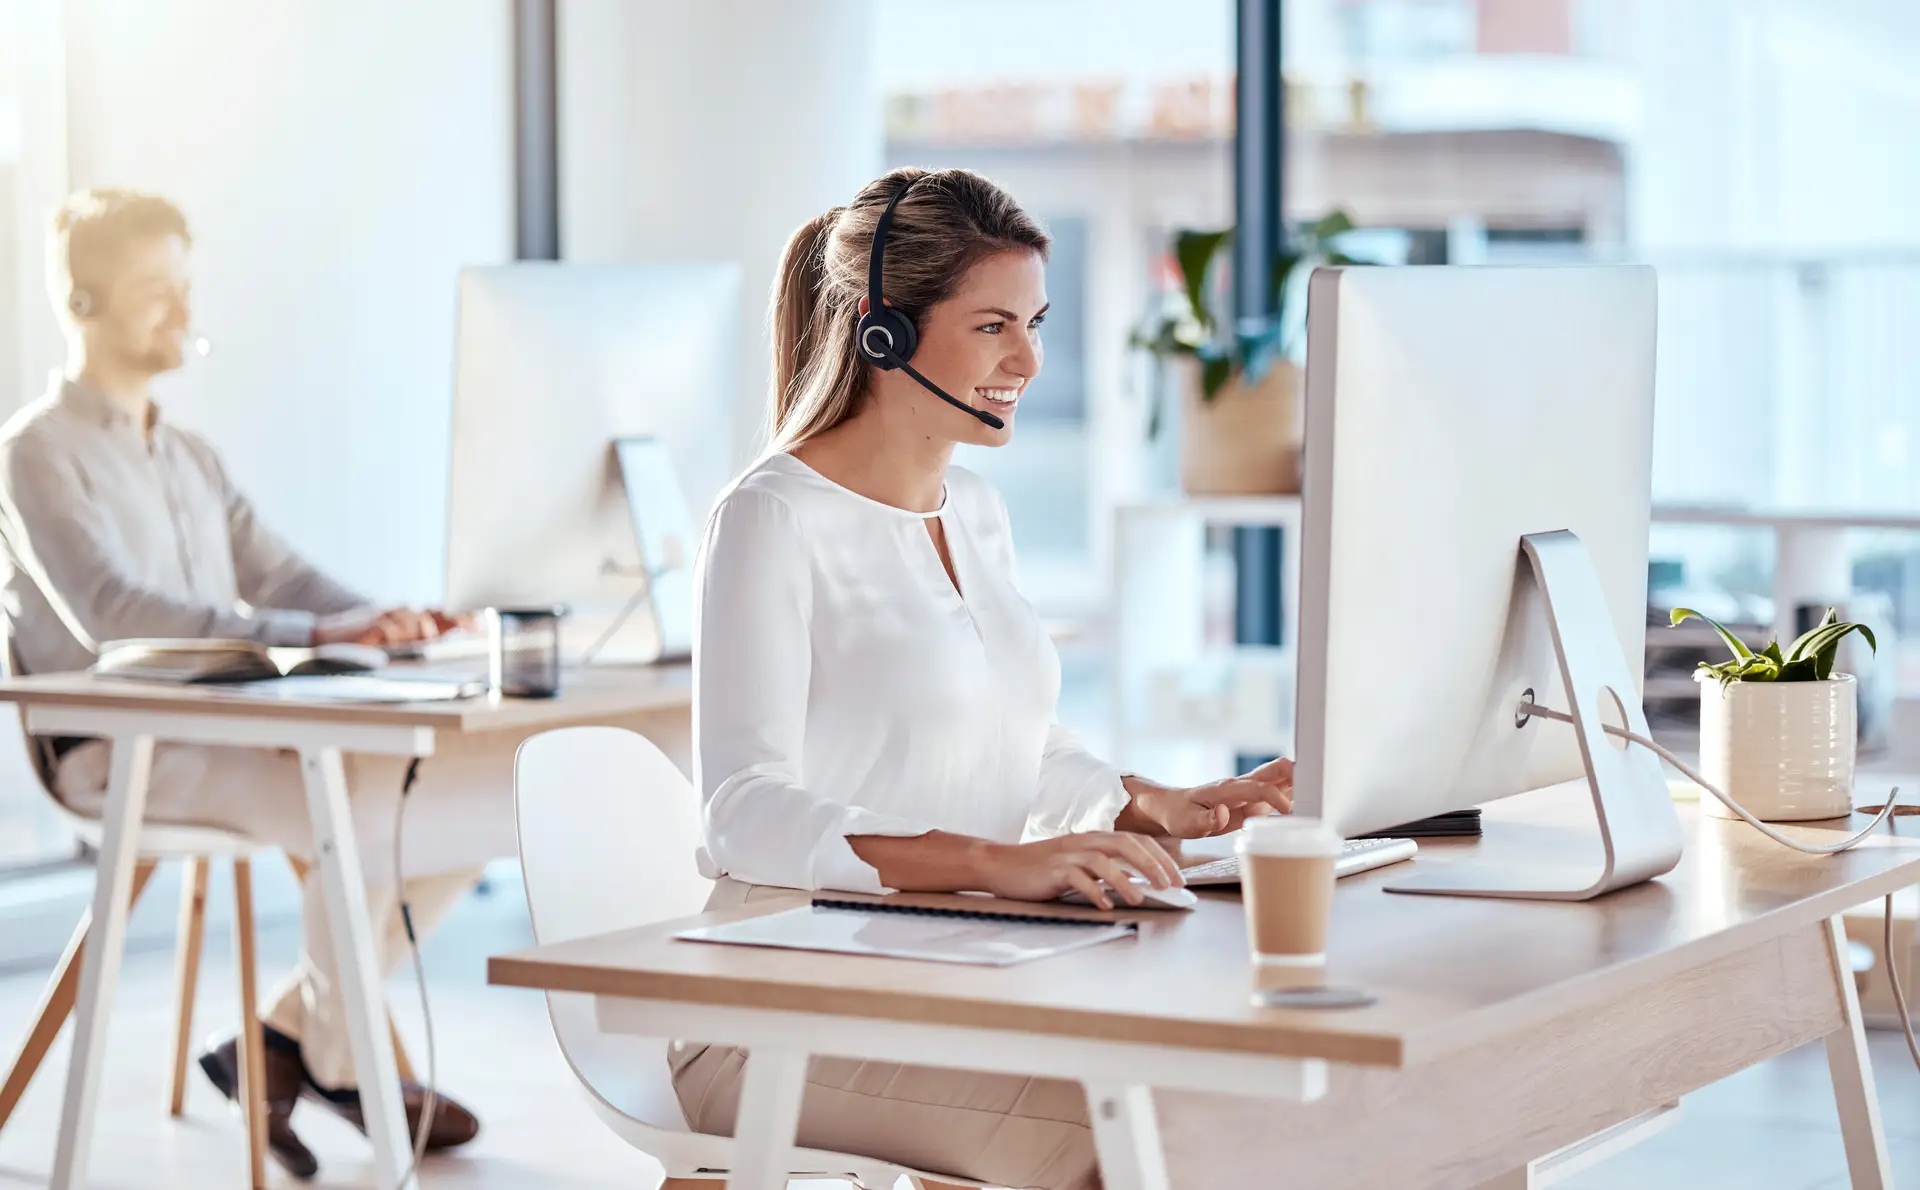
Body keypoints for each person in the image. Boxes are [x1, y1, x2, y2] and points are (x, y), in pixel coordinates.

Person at [679, 167, 1295, 1190]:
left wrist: (1151, 802)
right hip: (785, 1005)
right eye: (993, 325)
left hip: (961, 969)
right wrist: (989, 862)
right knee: (1133, 1134)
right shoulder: (771, 517)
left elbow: (1023, 736)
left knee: (1232, 1090)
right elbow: (741, 810)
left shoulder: (976, 510)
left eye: (1036, 322)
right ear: (884, 333)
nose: (1029, 358)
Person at [0, 188, 499, 1179]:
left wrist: (392, 618)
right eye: (156, 292)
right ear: (84, 302)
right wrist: (316, 630)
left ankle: (286, 1041)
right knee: (355, 812)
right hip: (115, 749)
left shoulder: (189, 454)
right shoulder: (34, 452)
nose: (184, 313)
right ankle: (333, 1059)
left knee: (456, 804)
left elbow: (282, 576)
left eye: (185, 287)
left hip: (224, 726)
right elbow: (113, 609)